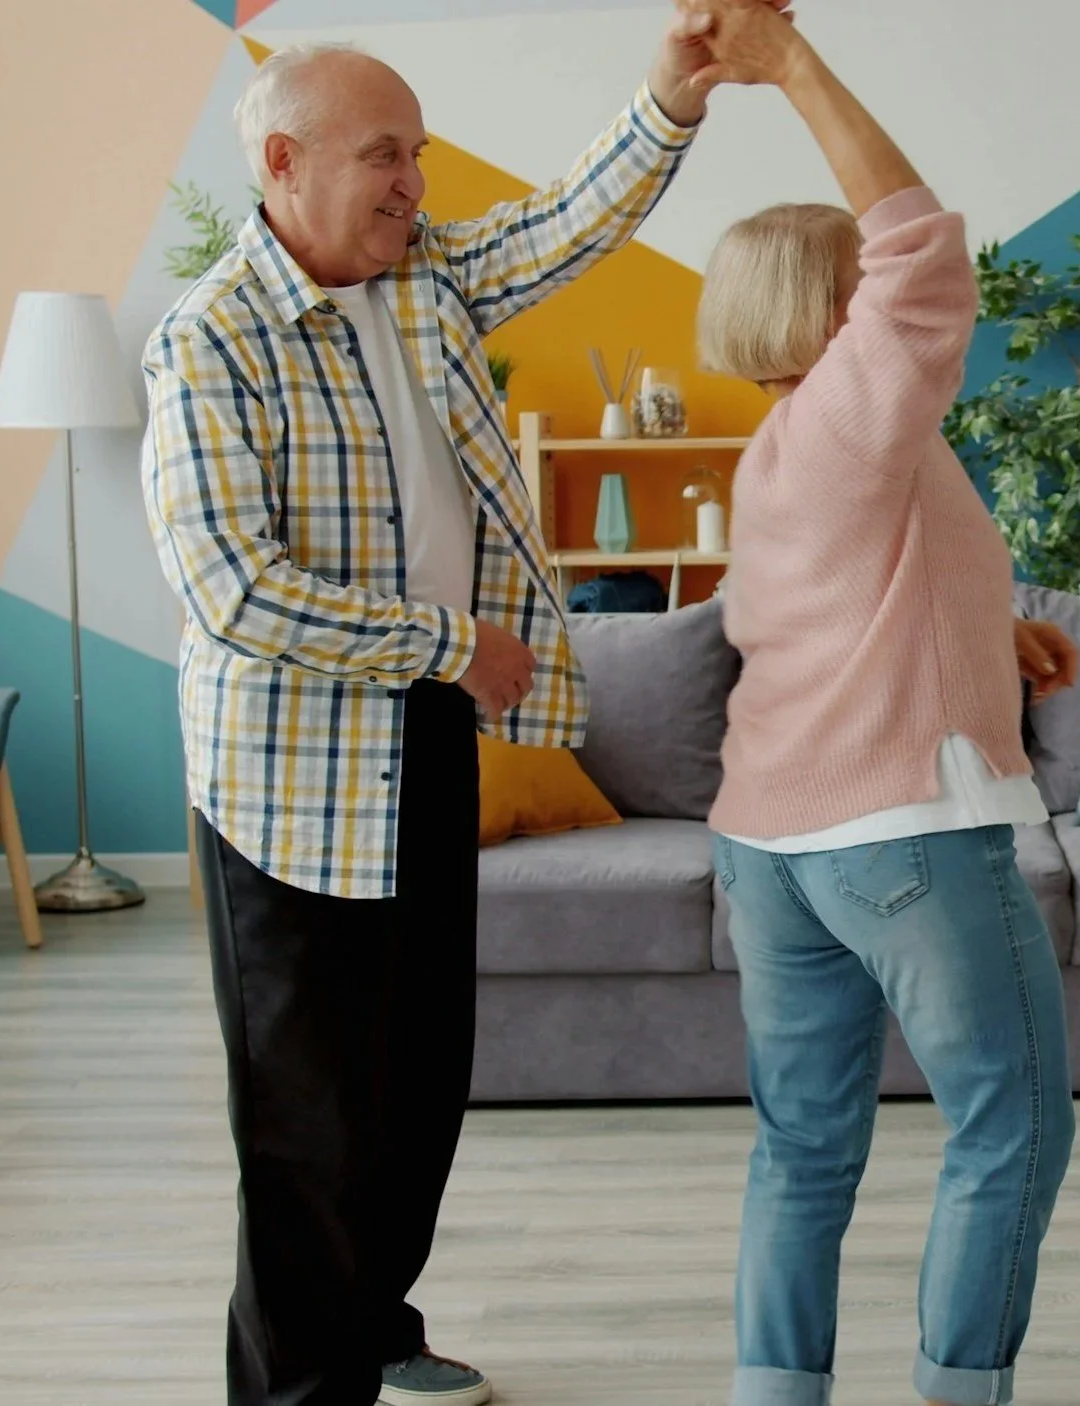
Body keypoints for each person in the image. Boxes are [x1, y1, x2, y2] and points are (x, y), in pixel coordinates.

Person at [140, 14, 788, 1402]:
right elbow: (233, 592)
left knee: (418, 1078)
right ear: (283, 161)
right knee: (304, 1118)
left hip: (424, 740)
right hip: (289, 778)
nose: (413, 187)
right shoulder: (209, 344)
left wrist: (677, 91)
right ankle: (298, 1386)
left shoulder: (424, 275)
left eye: (417, 158)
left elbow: (571, 222)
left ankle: (375, 1324)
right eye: (386, 158)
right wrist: (449, 643)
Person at [689, 3, 1080, 1404]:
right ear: (837, 310)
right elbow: (923, 246)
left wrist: (1001, 633)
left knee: (802, 1144)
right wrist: (788, 61)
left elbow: (854, 612)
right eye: (861, 288)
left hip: (773, 847)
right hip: (897, 836)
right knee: (1014, 1119)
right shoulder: (859, 408)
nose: (886, 298)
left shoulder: (800, 448)